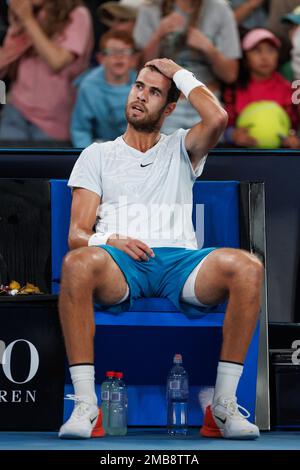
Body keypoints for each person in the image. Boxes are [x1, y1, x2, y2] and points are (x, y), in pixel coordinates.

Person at [58, 57, 263, 440]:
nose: (141, 96)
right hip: (119, 263)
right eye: (139, 87)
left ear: (170, 107)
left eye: (154, 93)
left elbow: (217, 118)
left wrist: (178, 73)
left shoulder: (182, 147)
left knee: (248, 267)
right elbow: (78, 233)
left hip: (181, 263)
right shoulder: (97, 155)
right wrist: (112, 240)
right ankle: (87, 406)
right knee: (77, 262)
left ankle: (222, 405)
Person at [133, 0, 241, 134]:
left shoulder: (221, 10)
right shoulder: (150, 10)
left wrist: (208, 49)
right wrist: (158, 36)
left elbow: (230, 74)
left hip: (205, 103)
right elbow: (139, 70)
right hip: (164, 104)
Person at [0, 0, 93, 143]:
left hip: (53, 121)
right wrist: (15, 29)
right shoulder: (34, 13)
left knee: (42, 163)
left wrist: (28, 20)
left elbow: (57, 61)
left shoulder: (78, 15)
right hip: (17, 111)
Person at [223, 28, 300, 148]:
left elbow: (294, 127)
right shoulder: (233, 90)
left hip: (280, 157)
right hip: (241, 157)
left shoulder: (289, 89)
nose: (264, 57)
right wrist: (232, 136)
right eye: (256, 50)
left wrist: (293, 138)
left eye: (270, 50)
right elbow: (224, 127)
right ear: (245, 58)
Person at [71, 30, 137, 148]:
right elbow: (80, 130)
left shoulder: (144, 85)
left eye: (125, 52)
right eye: (112, 52)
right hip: (101, 148)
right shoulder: (88, 86)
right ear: (101, 58)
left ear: (133, 59)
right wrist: (89, 156)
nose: (119, 57)